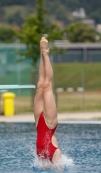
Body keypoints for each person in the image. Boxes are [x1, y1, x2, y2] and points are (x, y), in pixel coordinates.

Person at [34, 37, 61, 165]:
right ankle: (45, 53)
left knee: (40, 85)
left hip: (39, 125)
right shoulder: (56, 153)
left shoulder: (47, 158)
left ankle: (41, 53)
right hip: (49, 125)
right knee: (47, 86)